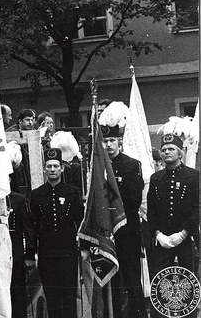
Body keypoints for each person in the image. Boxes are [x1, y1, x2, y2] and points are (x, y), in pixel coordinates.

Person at [98, 101, 146, 318]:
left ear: (119, 141)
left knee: (131, 276)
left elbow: (133, 199)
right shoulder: (98, 168)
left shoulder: (132, 165)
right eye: (105, 141)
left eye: (111, 140)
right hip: (107, 232)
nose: (108, 145)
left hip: (127, 228)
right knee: (111, 280)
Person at [30, 148, 83, 318]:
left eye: (55, 166)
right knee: (52, 297)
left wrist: (84, 247)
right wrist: (31, 253)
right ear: (45, 169)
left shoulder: (72, 192)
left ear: (62, 168)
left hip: (68, 253)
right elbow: (33, 226)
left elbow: (81, 222)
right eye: (49, 166)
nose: (52, 169)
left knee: (69, 297)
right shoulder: (37, 195)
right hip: (47, 254)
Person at [147, 117, 199, 276]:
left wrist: (183, 234)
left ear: (180, 153)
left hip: (185, 239)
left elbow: (197, 209)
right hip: (162, 240)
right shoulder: (156, 178)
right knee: (162, 282)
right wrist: (158, 235)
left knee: (187, 283)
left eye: (171, 149)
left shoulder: (193, 176)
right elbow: (152, 210)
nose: (167, 152)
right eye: (164, 150)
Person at [6, 142, 36, 318]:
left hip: (16, 255)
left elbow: (28, 229)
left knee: (18, 294)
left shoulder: (17, 199)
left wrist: (29, 254)